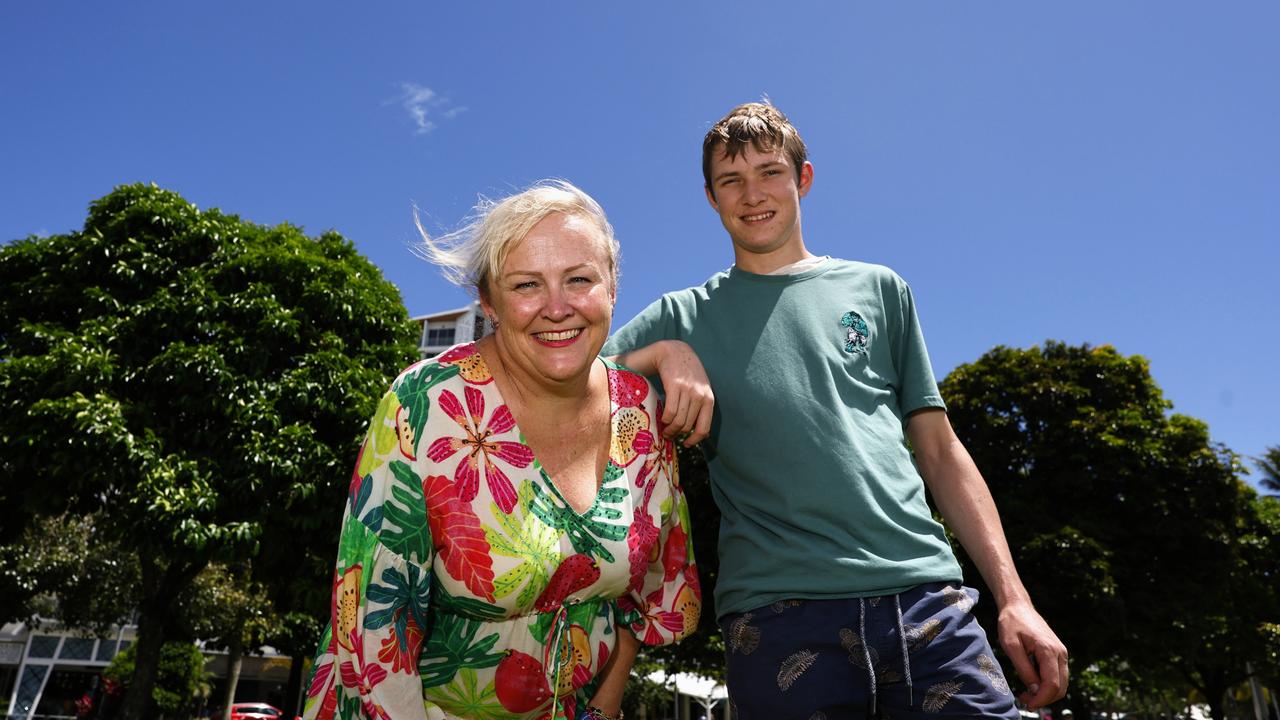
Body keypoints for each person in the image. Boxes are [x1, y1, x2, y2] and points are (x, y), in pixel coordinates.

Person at [605, 103, 1068, 718]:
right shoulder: (682, 315)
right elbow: (576, 383)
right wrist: (663, 353)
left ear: (804, 178)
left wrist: (1014, 598)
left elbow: (938, 449)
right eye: (731, 181)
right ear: (711, 198)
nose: (752, 195)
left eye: (770, 172)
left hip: (926, 600)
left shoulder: (879, 289)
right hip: (777, 617)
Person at [301, 180, 701, 720]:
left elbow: (649, 591)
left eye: (579, 279)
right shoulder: (423, 405)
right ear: (489, 301)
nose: (557, 308)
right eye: (526, 285)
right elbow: (372, 631)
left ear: (612, 288)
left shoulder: (640, 412)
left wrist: (604, 704)